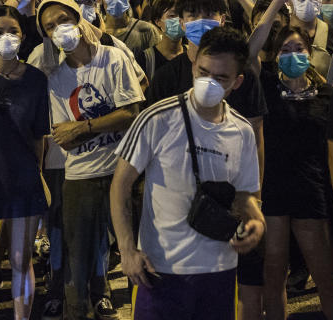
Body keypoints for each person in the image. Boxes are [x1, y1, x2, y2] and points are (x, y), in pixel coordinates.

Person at [110, 26, 265, 320]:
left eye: (221, 78)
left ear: (238, 81)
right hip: (161, 270)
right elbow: (120, 185)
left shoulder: (243, 131)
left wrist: (256, 220)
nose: (209, 82)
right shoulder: (156, 118)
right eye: (204, 72)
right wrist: (127, 251)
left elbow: (245, 193)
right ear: (193, 65)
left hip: (219, 270)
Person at [246, 0, 333, 319]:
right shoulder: (265, 91)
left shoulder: (327, 95)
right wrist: (277, 3)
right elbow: (248, 56)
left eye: (299, 48)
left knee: (326, 277)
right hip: (273, 191)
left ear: (309, 52)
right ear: (275, 56)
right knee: (273, 276)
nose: (293, 55)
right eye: (285, 49)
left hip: (311, 191)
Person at [38, 0, 144, 320]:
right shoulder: (53, 76)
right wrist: (89, 127)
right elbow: (62, 136)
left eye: (63, 20)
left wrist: (83, 127)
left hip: (123, 172)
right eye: (50, 27)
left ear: (80, 19)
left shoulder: (112, 58)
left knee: (138, 253)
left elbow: (131, 111)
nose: (59, 29)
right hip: (79, 177)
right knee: (77, 263)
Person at [0, 6, 49, 319]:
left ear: (23, 35)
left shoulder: (35, 79)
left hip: (22, 177)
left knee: (21, 260)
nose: (6, 37)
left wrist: (39, 174)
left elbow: (38, 136)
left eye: (13, 31)